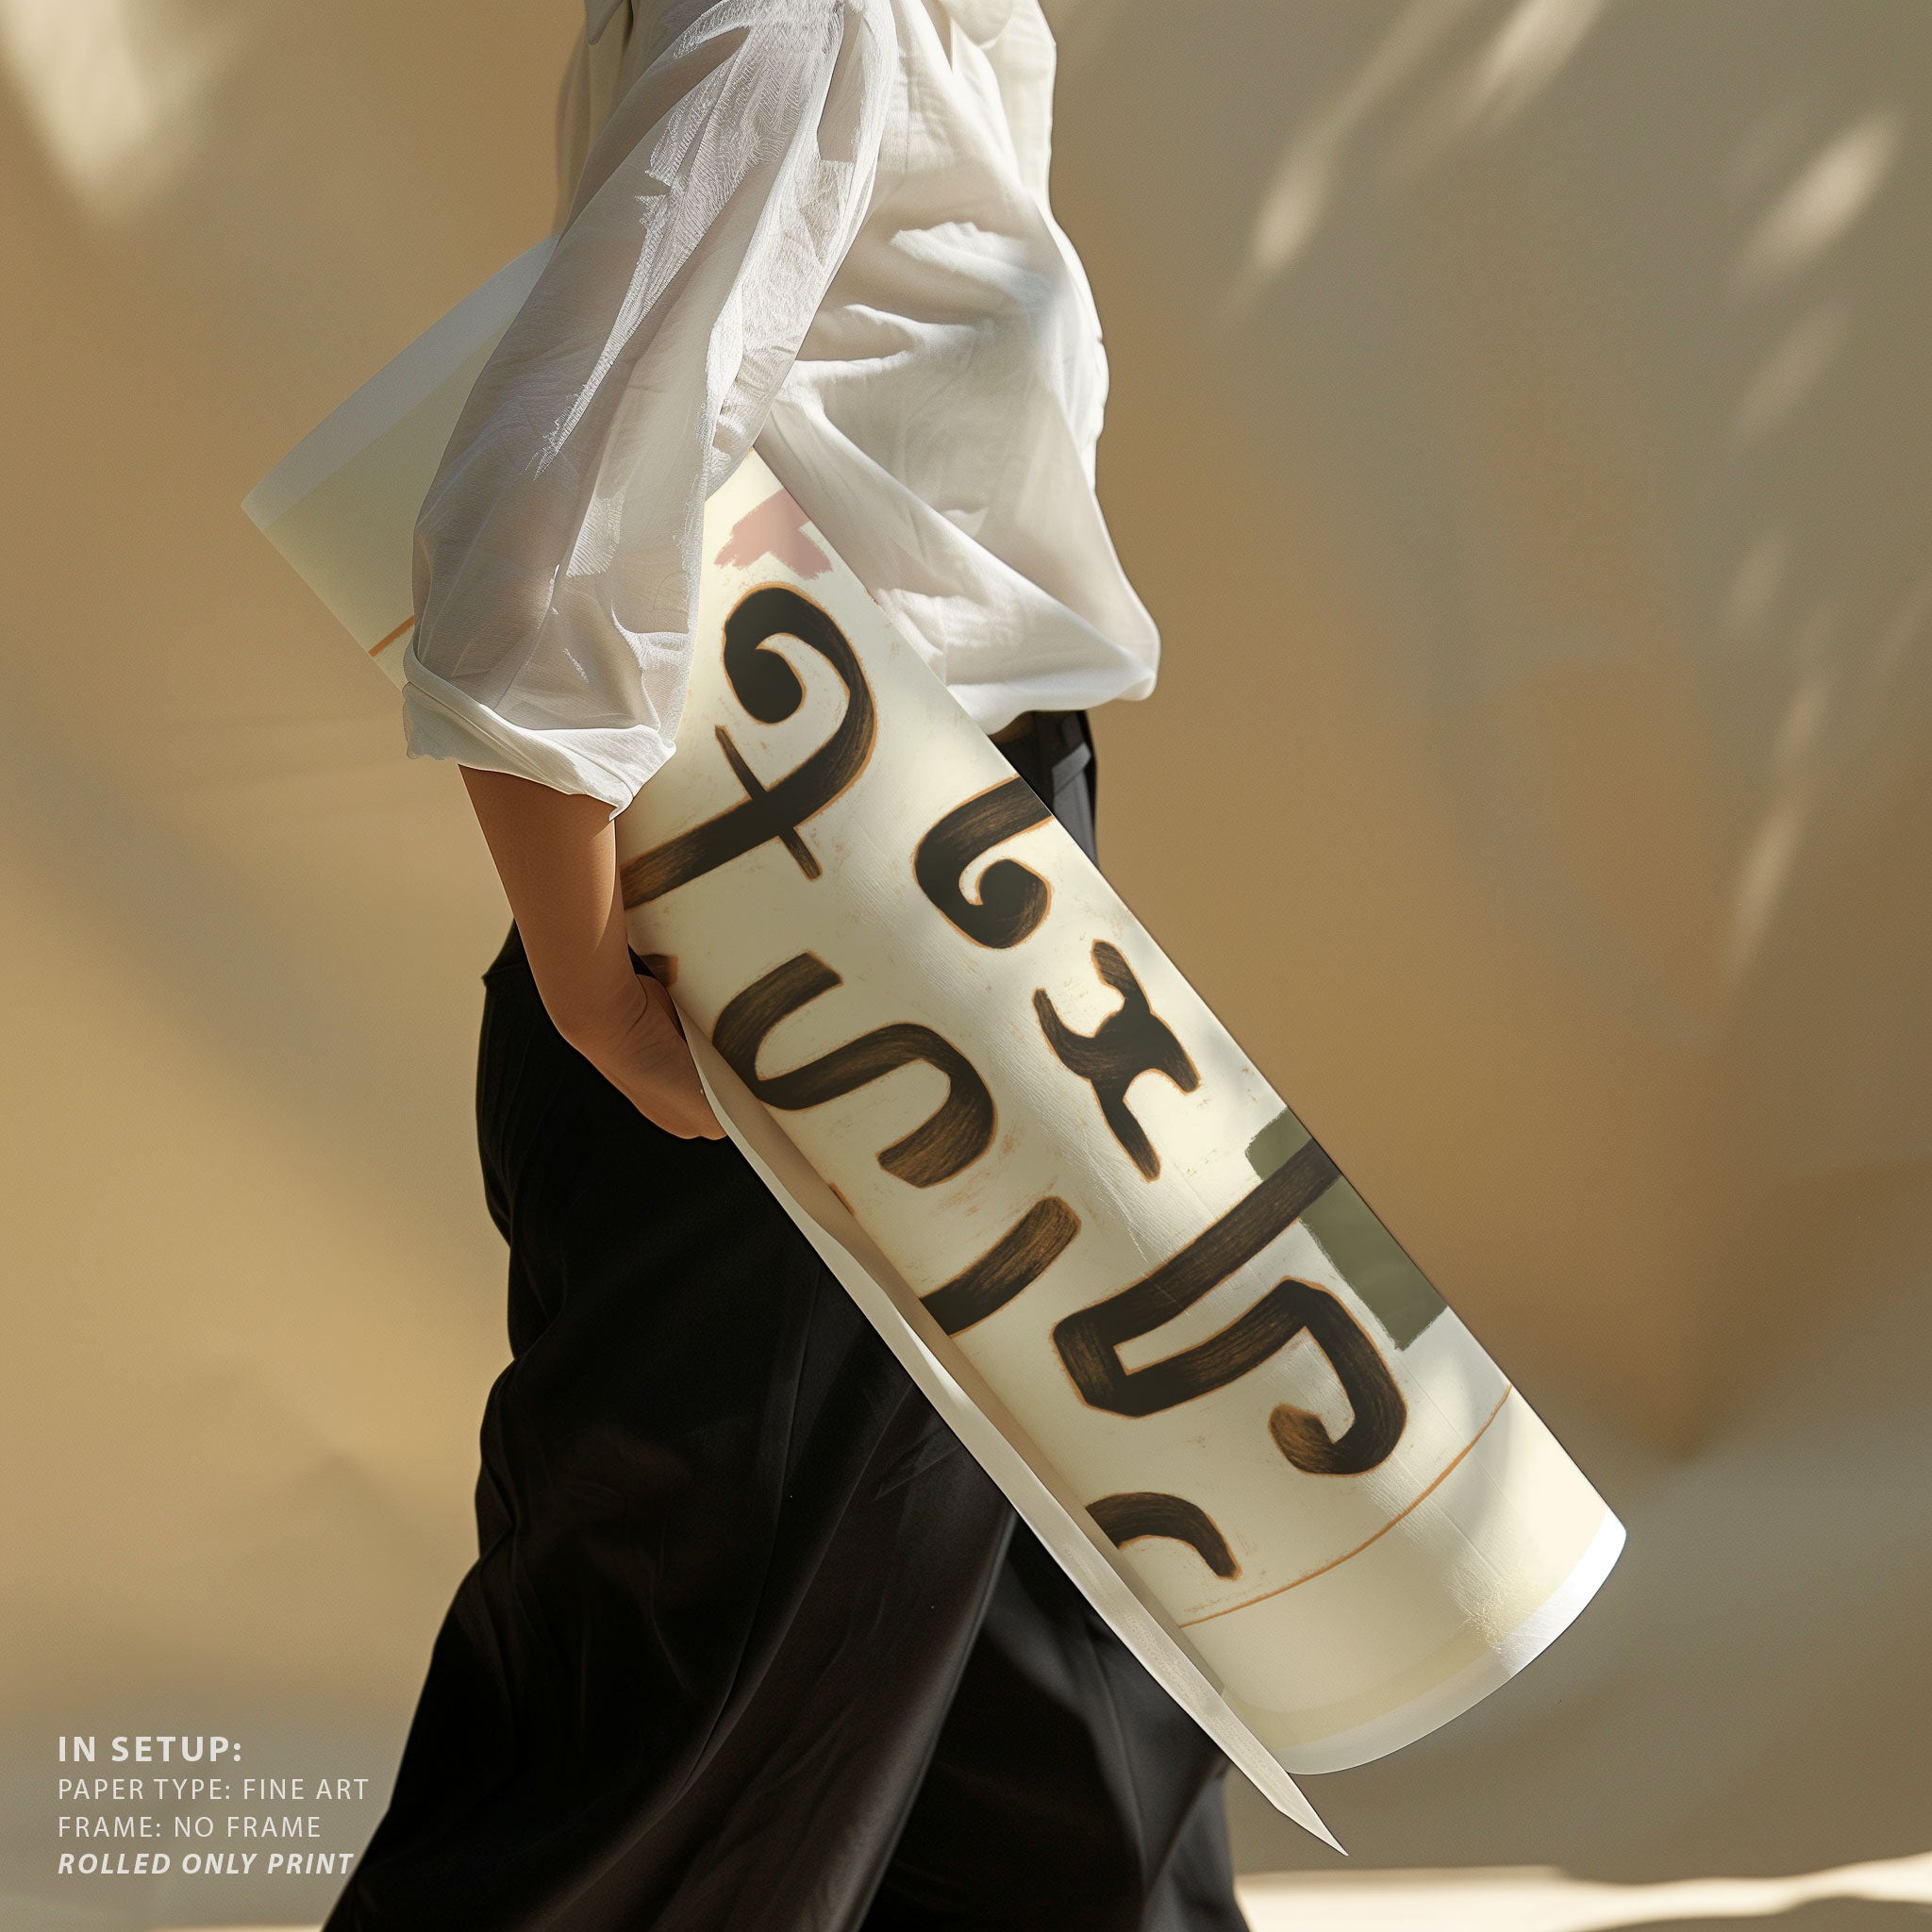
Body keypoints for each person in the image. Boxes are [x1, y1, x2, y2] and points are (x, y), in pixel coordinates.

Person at [323, 3, 1244, 1926]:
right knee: (651, 1760)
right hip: (811, 918)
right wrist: (592, 989)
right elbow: (543, 511)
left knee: (1074, 1733)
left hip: (965, 886)